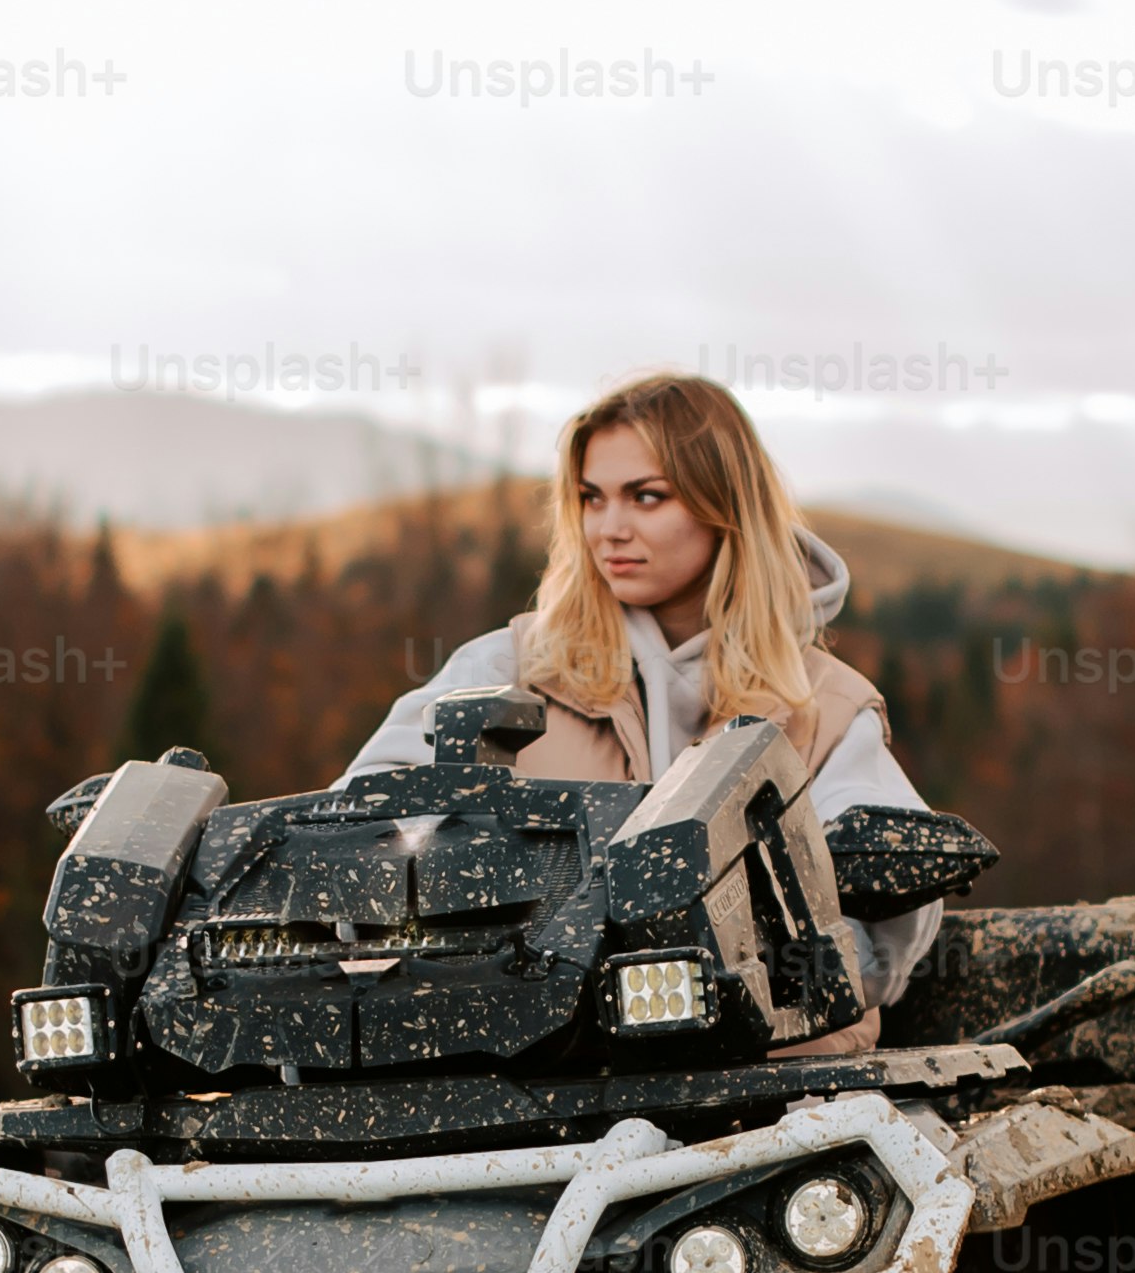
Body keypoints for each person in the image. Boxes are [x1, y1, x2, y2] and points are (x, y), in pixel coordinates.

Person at [342, 370, 944, 1051]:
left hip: (774, 1102)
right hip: (534, 1084)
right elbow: (355, 829)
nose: (610, 529)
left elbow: (890, 927)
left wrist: (763, 984)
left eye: (646, 497)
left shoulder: (824, 707)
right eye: (591, 499)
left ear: (725, 506)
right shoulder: (509, 668)